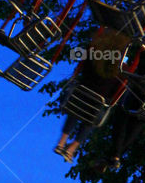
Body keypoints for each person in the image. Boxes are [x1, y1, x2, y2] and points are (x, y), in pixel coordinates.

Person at [55, 28, 130, 162]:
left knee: (76, 108)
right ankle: (72, 147)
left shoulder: (92, 52)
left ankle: (62, 142)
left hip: (81, 92)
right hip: (98, 102)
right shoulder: (121, 68)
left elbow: (75, 57)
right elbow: (118, 90)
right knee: (91, 117)